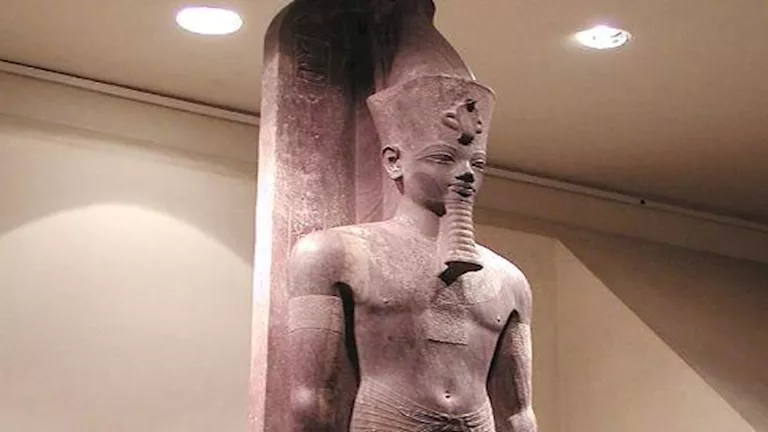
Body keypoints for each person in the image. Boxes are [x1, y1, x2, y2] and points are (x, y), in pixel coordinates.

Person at [287, 75, 536, 432]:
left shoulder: (511, 282)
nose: (466, 173)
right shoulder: (331, 253)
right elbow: (311, 399)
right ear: (394, 161)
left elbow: (517, 413)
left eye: (477, 163)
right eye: (443, 157)